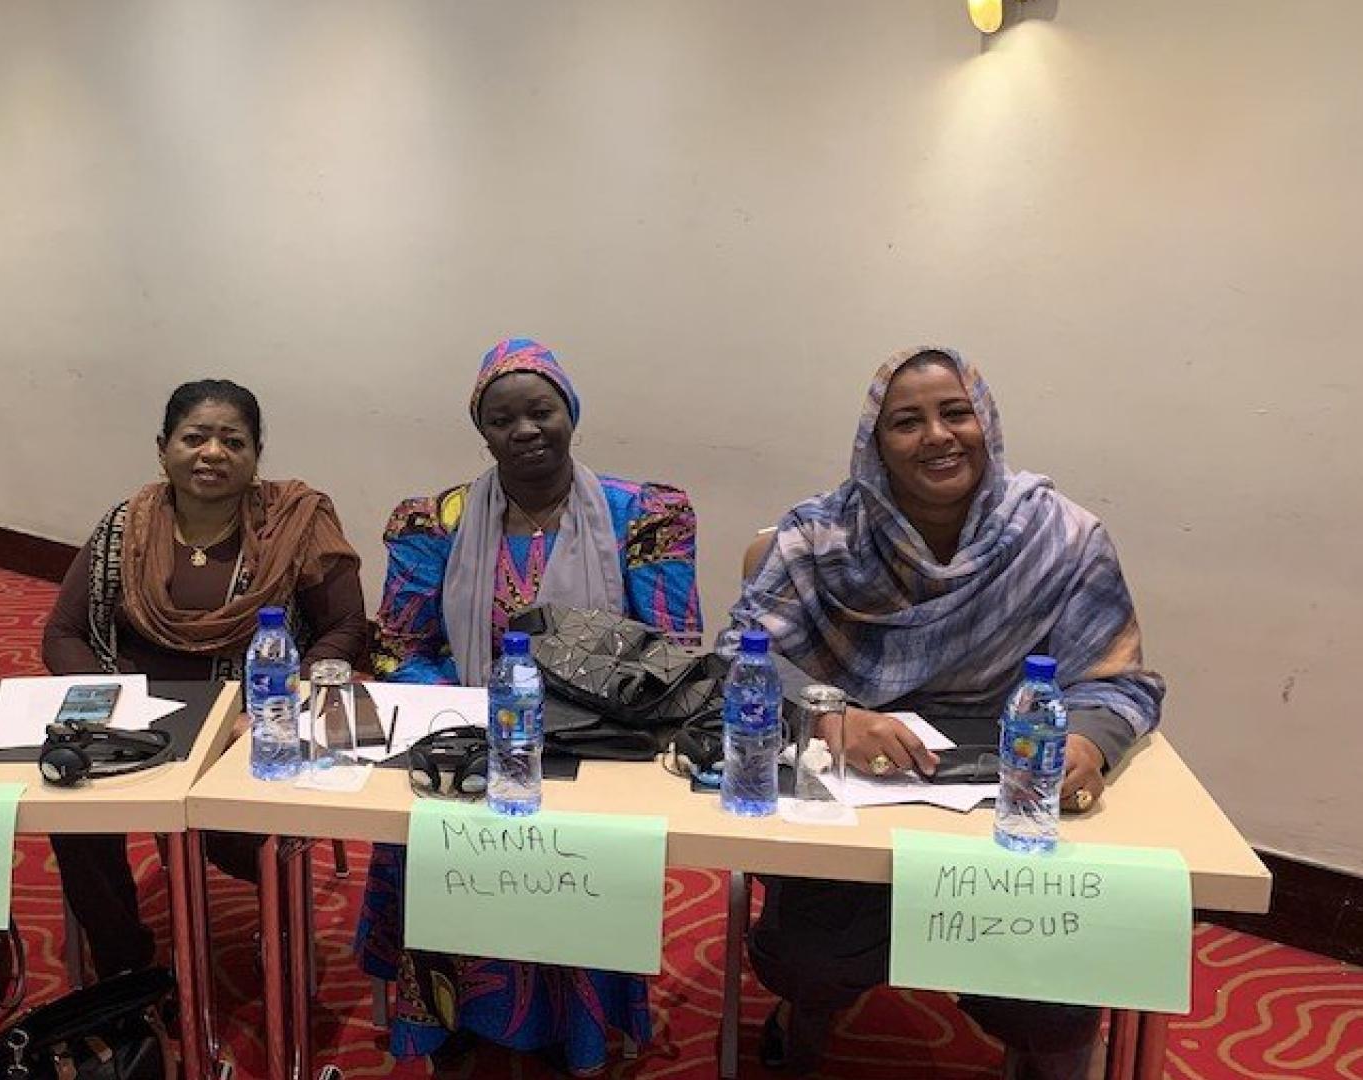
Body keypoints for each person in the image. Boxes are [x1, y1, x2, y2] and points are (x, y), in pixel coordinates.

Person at [733, 347, 1165, 1079]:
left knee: (1051, 999)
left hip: (1006, 808)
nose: (937, 435)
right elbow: (741, 658)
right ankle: (807, 1016)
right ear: (876, 445)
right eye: (907, 422)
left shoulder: (1063, 539)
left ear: (986, 424)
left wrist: (1087, 747)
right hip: (853, 799)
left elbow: (1116, 683)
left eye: (955, 412)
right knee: (808, 958)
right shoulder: (818, 538)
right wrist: (829, 716)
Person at [357, 338, 702, 1074]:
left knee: (582, 843)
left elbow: (673, 655)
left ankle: (574, 1030)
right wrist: (461, 718)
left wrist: (585, 723)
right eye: (502, 417)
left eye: (541, 410)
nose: (525, 430)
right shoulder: (435, 520)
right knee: (441, 821)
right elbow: (395, 649)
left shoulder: (643, 515)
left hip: (602, 741)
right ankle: (456, 1021)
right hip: (469, 736)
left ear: (570, 412)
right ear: (482, 431)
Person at [42, 378, 368, 977]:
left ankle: (284, 930)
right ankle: (125, 964)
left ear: (255, 454)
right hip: (134, 725)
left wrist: (275, 709)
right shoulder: (126, 525)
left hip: (246, 725)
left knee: (227, 828)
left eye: (232, 441)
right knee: (71, 815)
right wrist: (109, 704)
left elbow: (346, 629)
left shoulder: (295, 521)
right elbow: (62, 633)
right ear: (163, 447)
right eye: (195, 438)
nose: (212, 453)